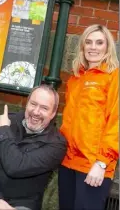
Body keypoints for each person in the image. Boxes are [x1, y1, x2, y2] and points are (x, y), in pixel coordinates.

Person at [0, 84, 67, 210]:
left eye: (44, 108)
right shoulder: (9, 120)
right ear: (27, 103)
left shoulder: (57, 144)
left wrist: (3, 131)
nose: (36, 112)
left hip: (21, 205)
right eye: (33, 104)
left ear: (53, 114)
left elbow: (16, 167)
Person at [58, 24, 119, 210]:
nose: (93, 47)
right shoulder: (75, 79)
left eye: (99, 42)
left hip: (94, 165)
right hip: (67, 161)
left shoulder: (114, 76)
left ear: (108, 47)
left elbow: (116, 122)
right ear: (82, 47)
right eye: (89, 42)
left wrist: (101, 163)